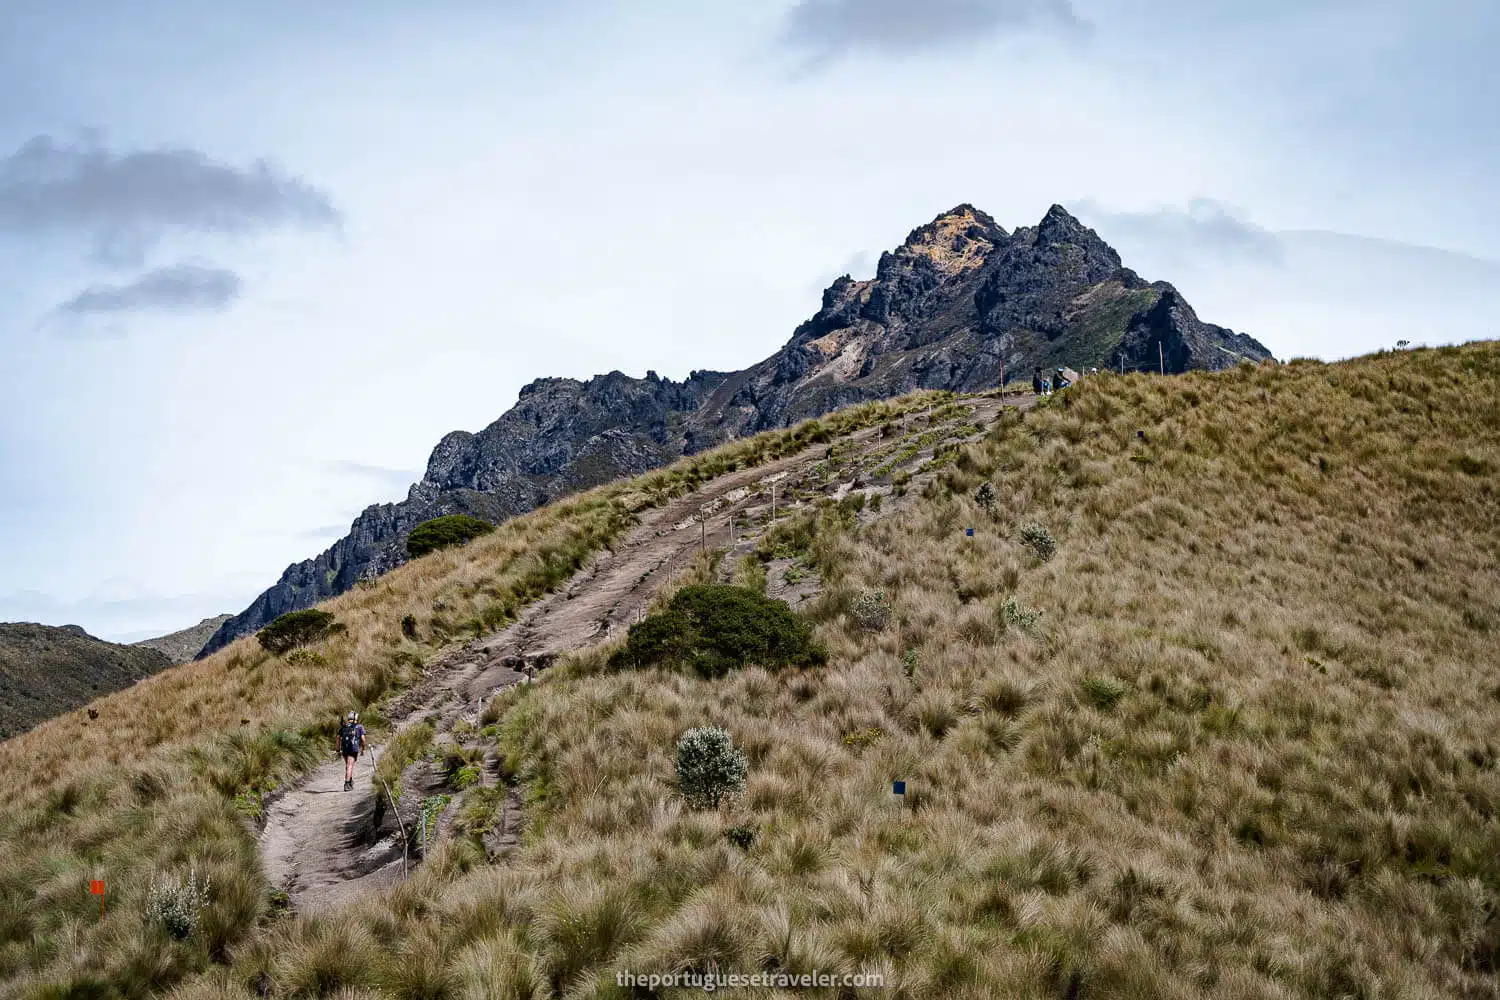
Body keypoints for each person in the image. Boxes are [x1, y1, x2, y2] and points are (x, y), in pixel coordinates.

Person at [337, 710, 367, 791]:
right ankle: (347, 784)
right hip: (353, 748)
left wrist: (338, 750)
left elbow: (338, 738)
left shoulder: (343, 726)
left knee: (347, 765)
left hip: (344, 749)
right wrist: (363, 749)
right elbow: (363, 739)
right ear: (356, 718)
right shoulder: (359, 726)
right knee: (350, 766)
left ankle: (349, 781)